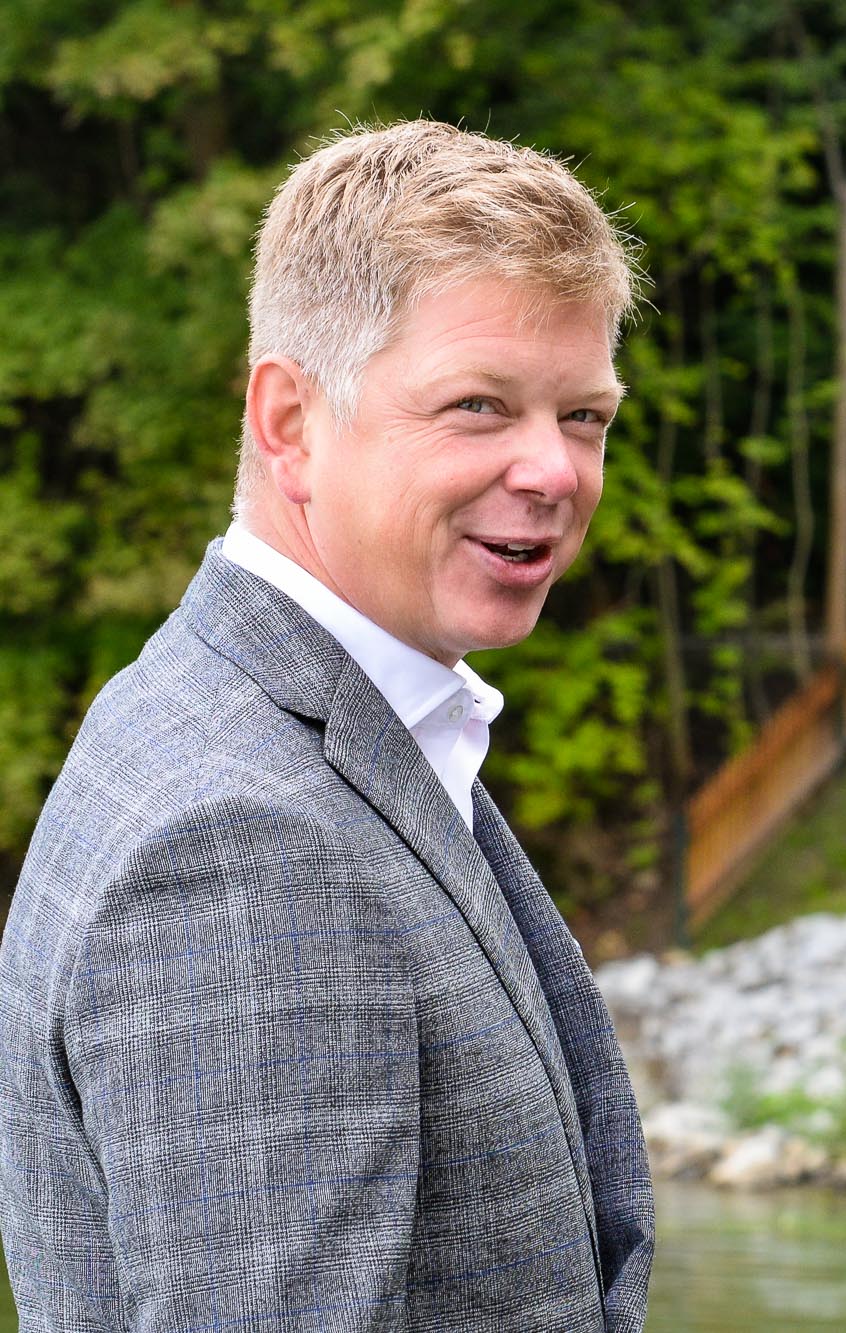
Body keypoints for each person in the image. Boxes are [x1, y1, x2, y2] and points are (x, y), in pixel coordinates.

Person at [0, 121, 654, 1331]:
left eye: (585, 416)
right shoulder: (243, 845)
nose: (555, 471)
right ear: (290, 422)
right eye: (478, 405)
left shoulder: (250, 712)